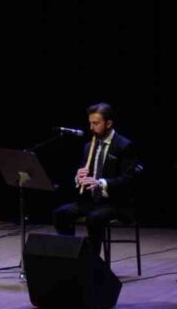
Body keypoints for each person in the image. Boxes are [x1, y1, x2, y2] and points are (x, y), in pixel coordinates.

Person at [52, 102, 138, 259]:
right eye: (90, 123)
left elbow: (127, 181)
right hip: (92, 201)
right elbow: (84, 176)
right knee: (61, 214)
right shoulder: (88, 146)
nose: (91, 127)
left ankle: (92, 263)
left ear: (109, 123)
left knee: (94, 218)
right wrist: (79, 178)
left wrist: (100, 183)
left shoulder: (124, 146)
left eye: (96, 123)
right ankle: (71, 256)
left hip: (116, 202)